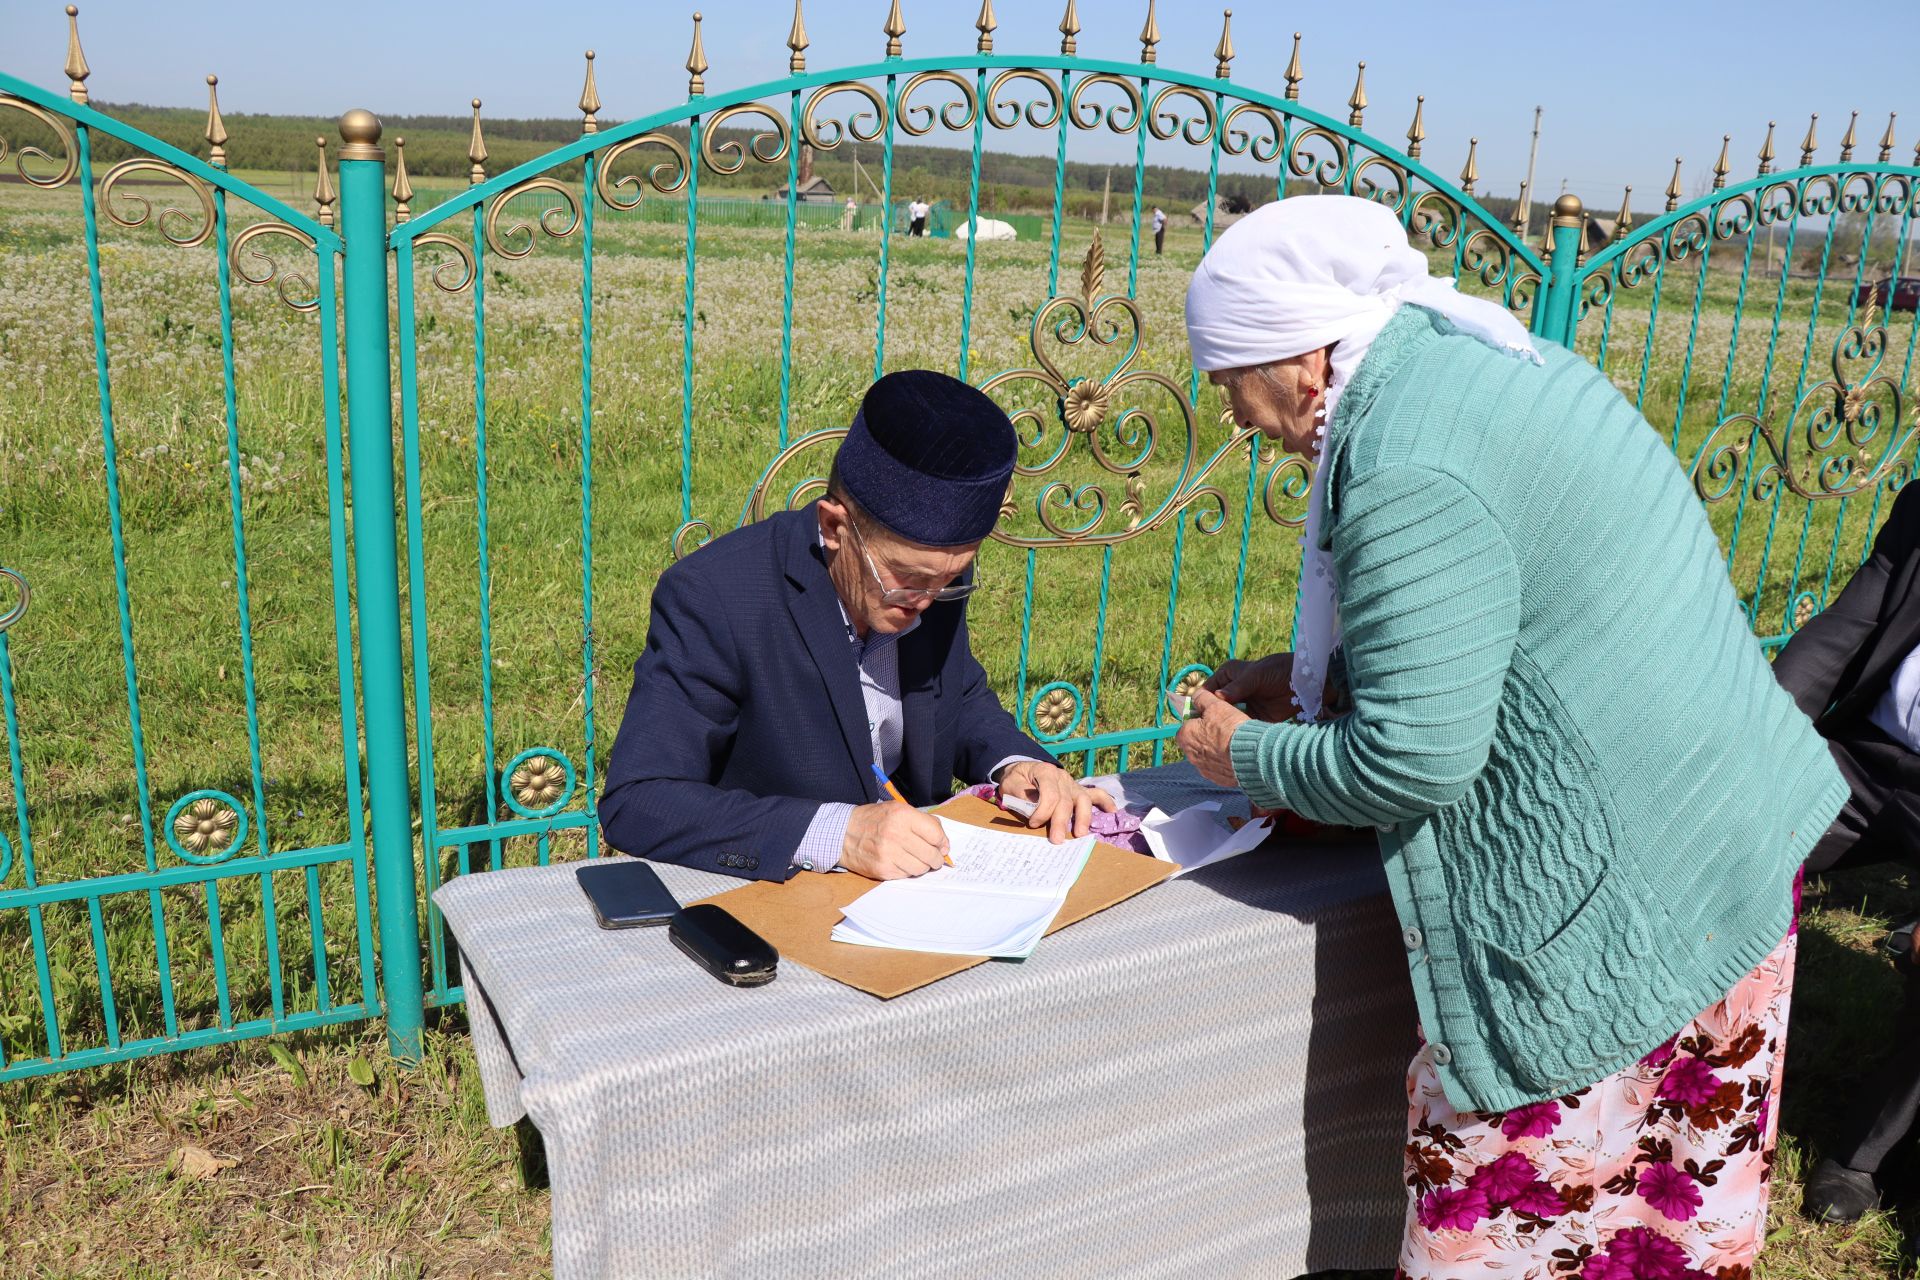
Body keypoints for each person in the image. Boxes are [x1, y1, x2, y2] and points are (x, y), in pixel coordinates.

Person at [1171, 195, 1846, 1279]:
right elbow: (1514, 616)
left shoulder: (1400, 454)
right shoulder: (1468, 358)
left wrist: (1239, 753)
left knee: (1507, 1241)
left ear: (1299, 359)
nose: (1238, 420)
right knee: (1660, 1225)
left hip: (1620, 905)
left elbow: (1413, 757)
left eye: (1228, 384)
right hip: (1716, 836)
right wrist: (1327, 676)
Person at [600, 370, 1113, 881]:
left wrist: (1016, 764)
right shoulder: (716, 595)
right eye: (909, 578)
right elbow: (640, 800)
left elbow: (955, 696)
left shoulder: (927, 578)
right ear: (834, 527)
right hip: (776, 896)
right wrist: (839, 834)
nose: (928, 603)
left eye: (951, 579)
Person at [1771, 479, 1920, 1226]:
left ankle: (1867, 1152)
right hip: (1872, 759)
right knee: (1726, 820)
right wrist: (1754, 746)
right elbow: (1836, 639)